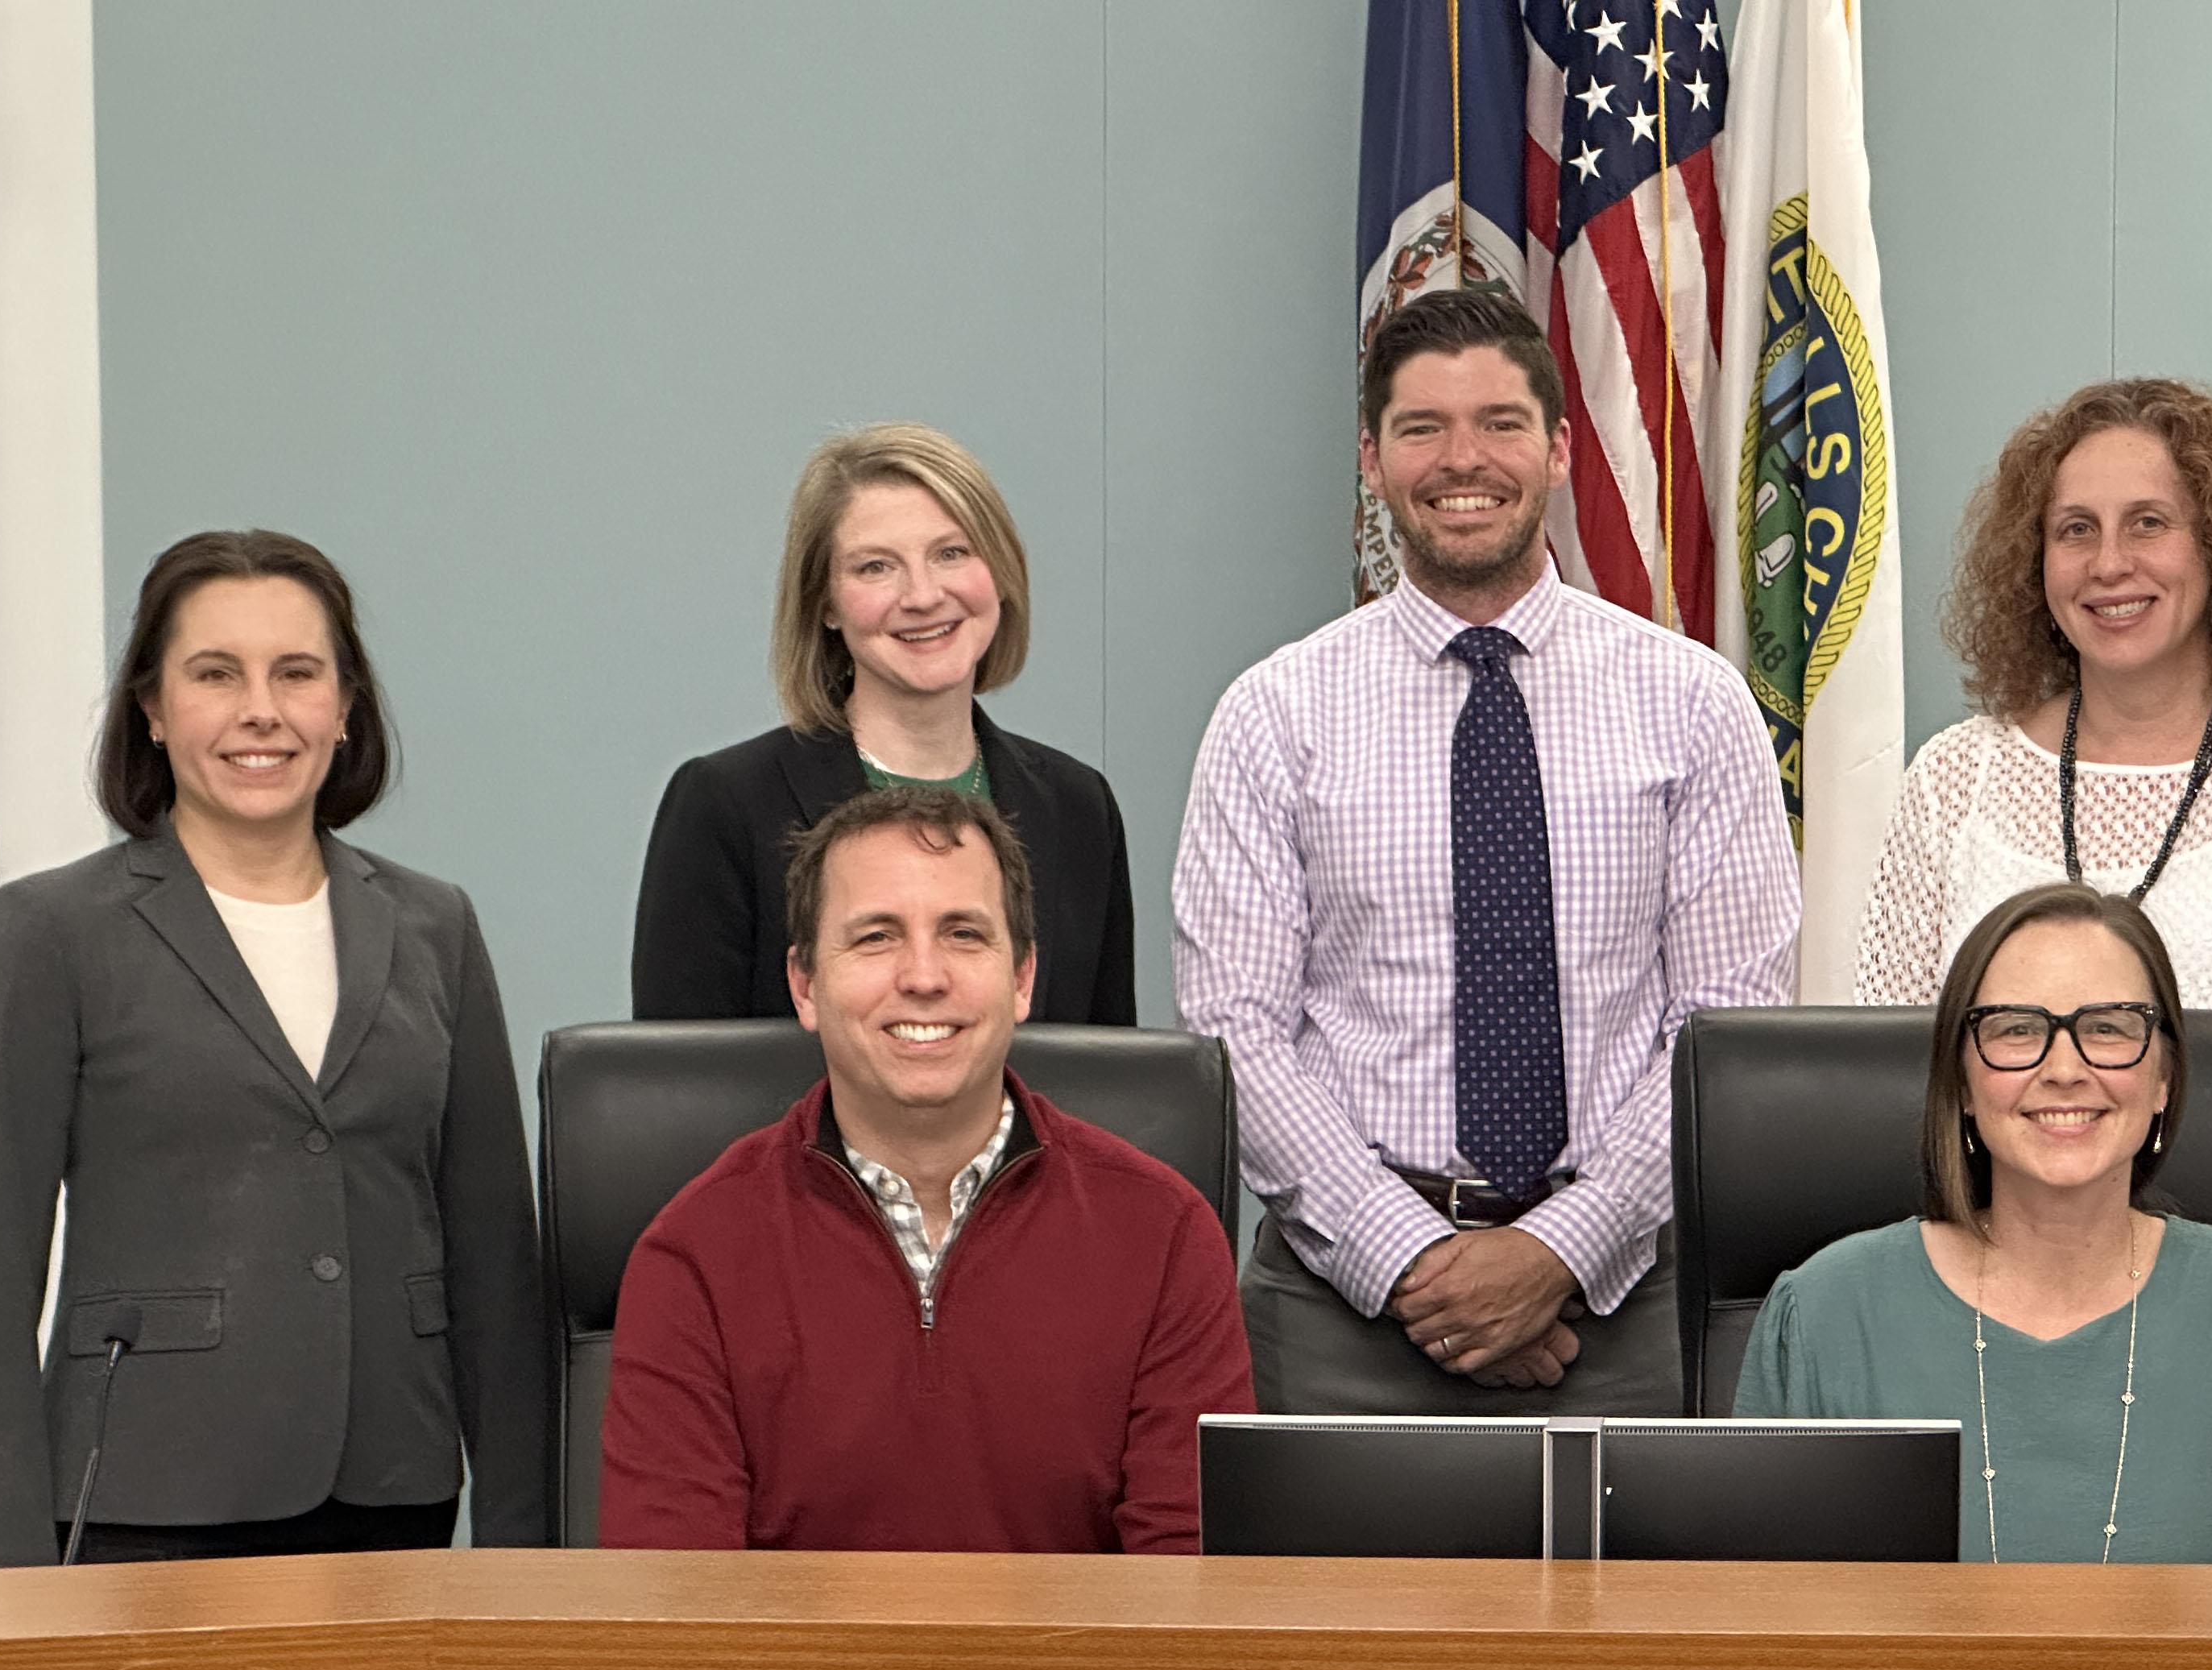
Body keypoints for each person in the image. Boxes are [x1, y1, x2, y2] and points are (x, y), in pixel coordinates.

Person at [1174, 288, 1798, 1414]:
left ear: (1560, 448)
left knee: (1628, 1599)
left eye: (1501, 422)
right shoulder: (1276, 713)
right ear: (1371, 458)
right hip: (1338, 1311)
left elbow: (1722, 1024)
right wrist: (1410, 1262)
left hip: (1619, 1300)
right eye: (1420, 427)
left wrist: (1557, 1249)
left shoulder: (1693, 705)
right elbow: (1234, 1029)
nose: (1463, 459)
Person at [0, 530, 548, 1565]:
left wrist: (526, 1546)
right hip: (146, 1498)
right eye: (214, 673)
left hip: (391, 1496)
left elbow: (494, 1264)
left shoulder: (436, 926)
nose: (259, 708)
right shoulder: (55, 932)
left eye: (297, 672)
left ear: (344, 706)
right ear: (153, 706)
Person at [600, 784, 1250, 1552]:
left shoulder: (1164, 1236)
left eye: (964, 934)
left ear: (1022, 980)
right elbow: (680, 1617)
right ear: (805, 985)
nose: (923, 975)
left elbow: (1187, 1597)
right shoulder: (694, 1256)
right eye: (875, 936)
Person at [1854, 379, 2212, 1231]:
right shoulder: (1950, 779)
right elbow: (1891, 1091)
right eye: (2073, 529)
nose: (2108, 563)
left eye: (2148, 522)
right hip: (1983, 1304)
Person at [1739, 882, 2212, 1565]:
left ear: (2164, 1079)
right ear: (1962, 1081)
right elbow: (1749, 1649)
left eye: (2108, 1028)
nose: (2064, 1069)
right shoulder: (1821, 1317)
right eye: (2016, 1029)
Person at [632, 423, 1134, 1025]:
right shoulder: (726, 806)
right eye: (875, 567)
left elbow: (1104, 1083)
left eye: (952, 553)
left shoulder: (1078, 809)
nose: (922, 595)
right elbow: (682, 1089)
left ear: (999, 572)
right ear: (825, 604)